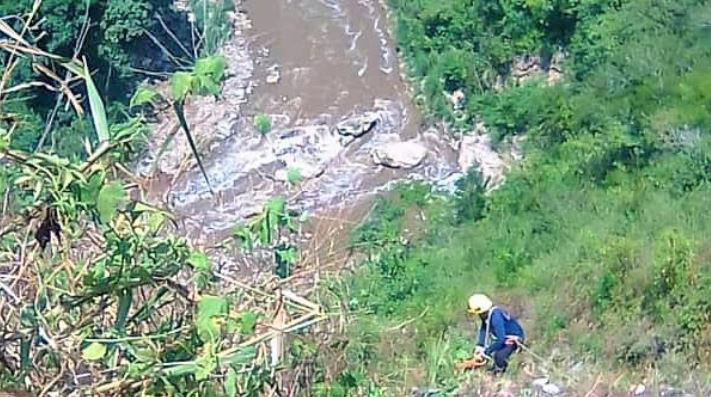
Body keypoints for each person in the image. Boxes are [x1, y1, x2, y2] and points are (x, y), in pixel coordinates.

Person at [467, 294, 525, 374]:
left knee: (499, 356)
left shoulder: (495, 316)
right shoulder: (485, 316)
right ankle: (495, 368)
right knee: (495, 350)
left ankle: (500, 371)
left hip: (513, 338)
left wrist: (486, 351)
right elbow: (484, 330)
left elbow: (500, 339)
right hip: (504, 337)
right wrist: (479, 346)